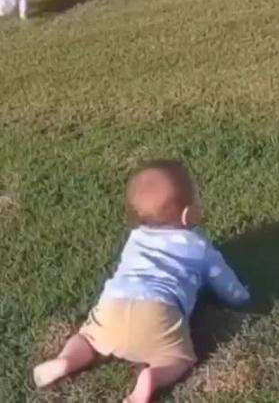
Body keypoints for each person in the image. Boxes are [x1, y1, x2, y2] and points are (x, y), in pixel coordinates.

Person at [33, 159, 250, 402]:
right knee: (180, 359)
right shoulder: (200, 247)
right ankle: (151, 378)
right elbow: (223, 280)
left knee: (88, 338)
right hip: (159, 312)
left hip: (114, 305)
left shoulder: (135, 238)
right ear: (188, 214)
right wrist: (240, 297)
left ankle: (67, 360)